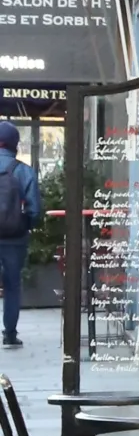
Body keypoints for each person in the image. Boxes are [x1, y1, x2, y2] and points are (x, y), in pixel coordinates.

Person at [0, 124, 43, 351]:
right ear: (15, 143)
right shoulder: (23, 171)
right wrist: (25, 226)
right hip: (14, 238)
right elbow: (35, 210)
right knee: (12, 285)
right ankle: (9, 334)